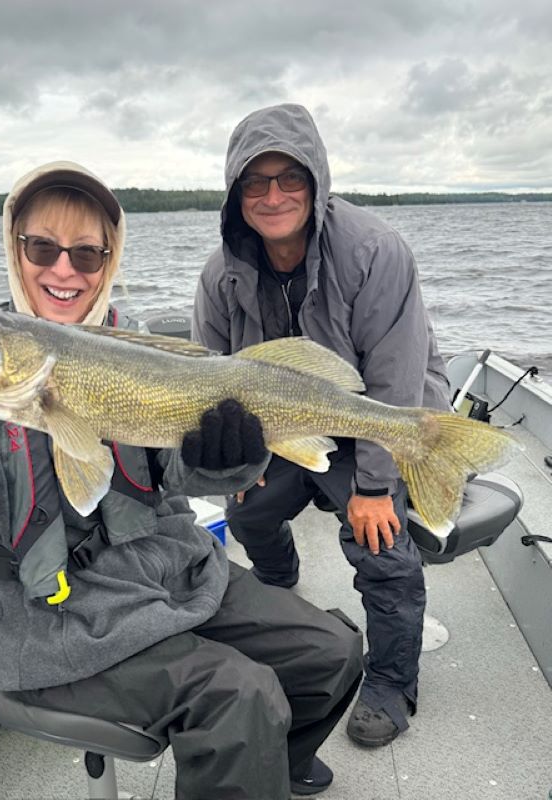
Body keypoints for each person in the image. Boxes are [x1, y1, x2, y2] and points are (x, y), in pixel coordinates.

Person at [0, 160, 363, 798]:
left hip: (160, 573)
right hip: (43, 619)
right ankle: (248, 758)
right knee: (241, 697)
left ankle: (266, 771)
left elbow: (180, 475)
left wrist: (227, 459)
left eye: (88, 253)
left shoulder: (138, 351)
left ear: (109, 260)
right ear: (16, 252)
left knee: (332, 651)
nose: (64, 269)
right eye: (42, 247)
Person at [192, 104, 451, 748]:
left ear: (317, 180)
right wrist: (240, 468)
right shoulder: (218, 275)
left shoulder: (375, 251)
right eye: (255, 182)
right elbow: (211, 384)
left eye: (290, 178)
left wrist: (371, 485)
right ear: (235, 194)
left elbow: (394, 380)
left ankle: (391, 680)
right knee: (247, 512)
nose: (273, 196)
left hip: (382, 420)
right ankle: (277, 588)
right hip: (283, 425)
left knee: (381, 544)